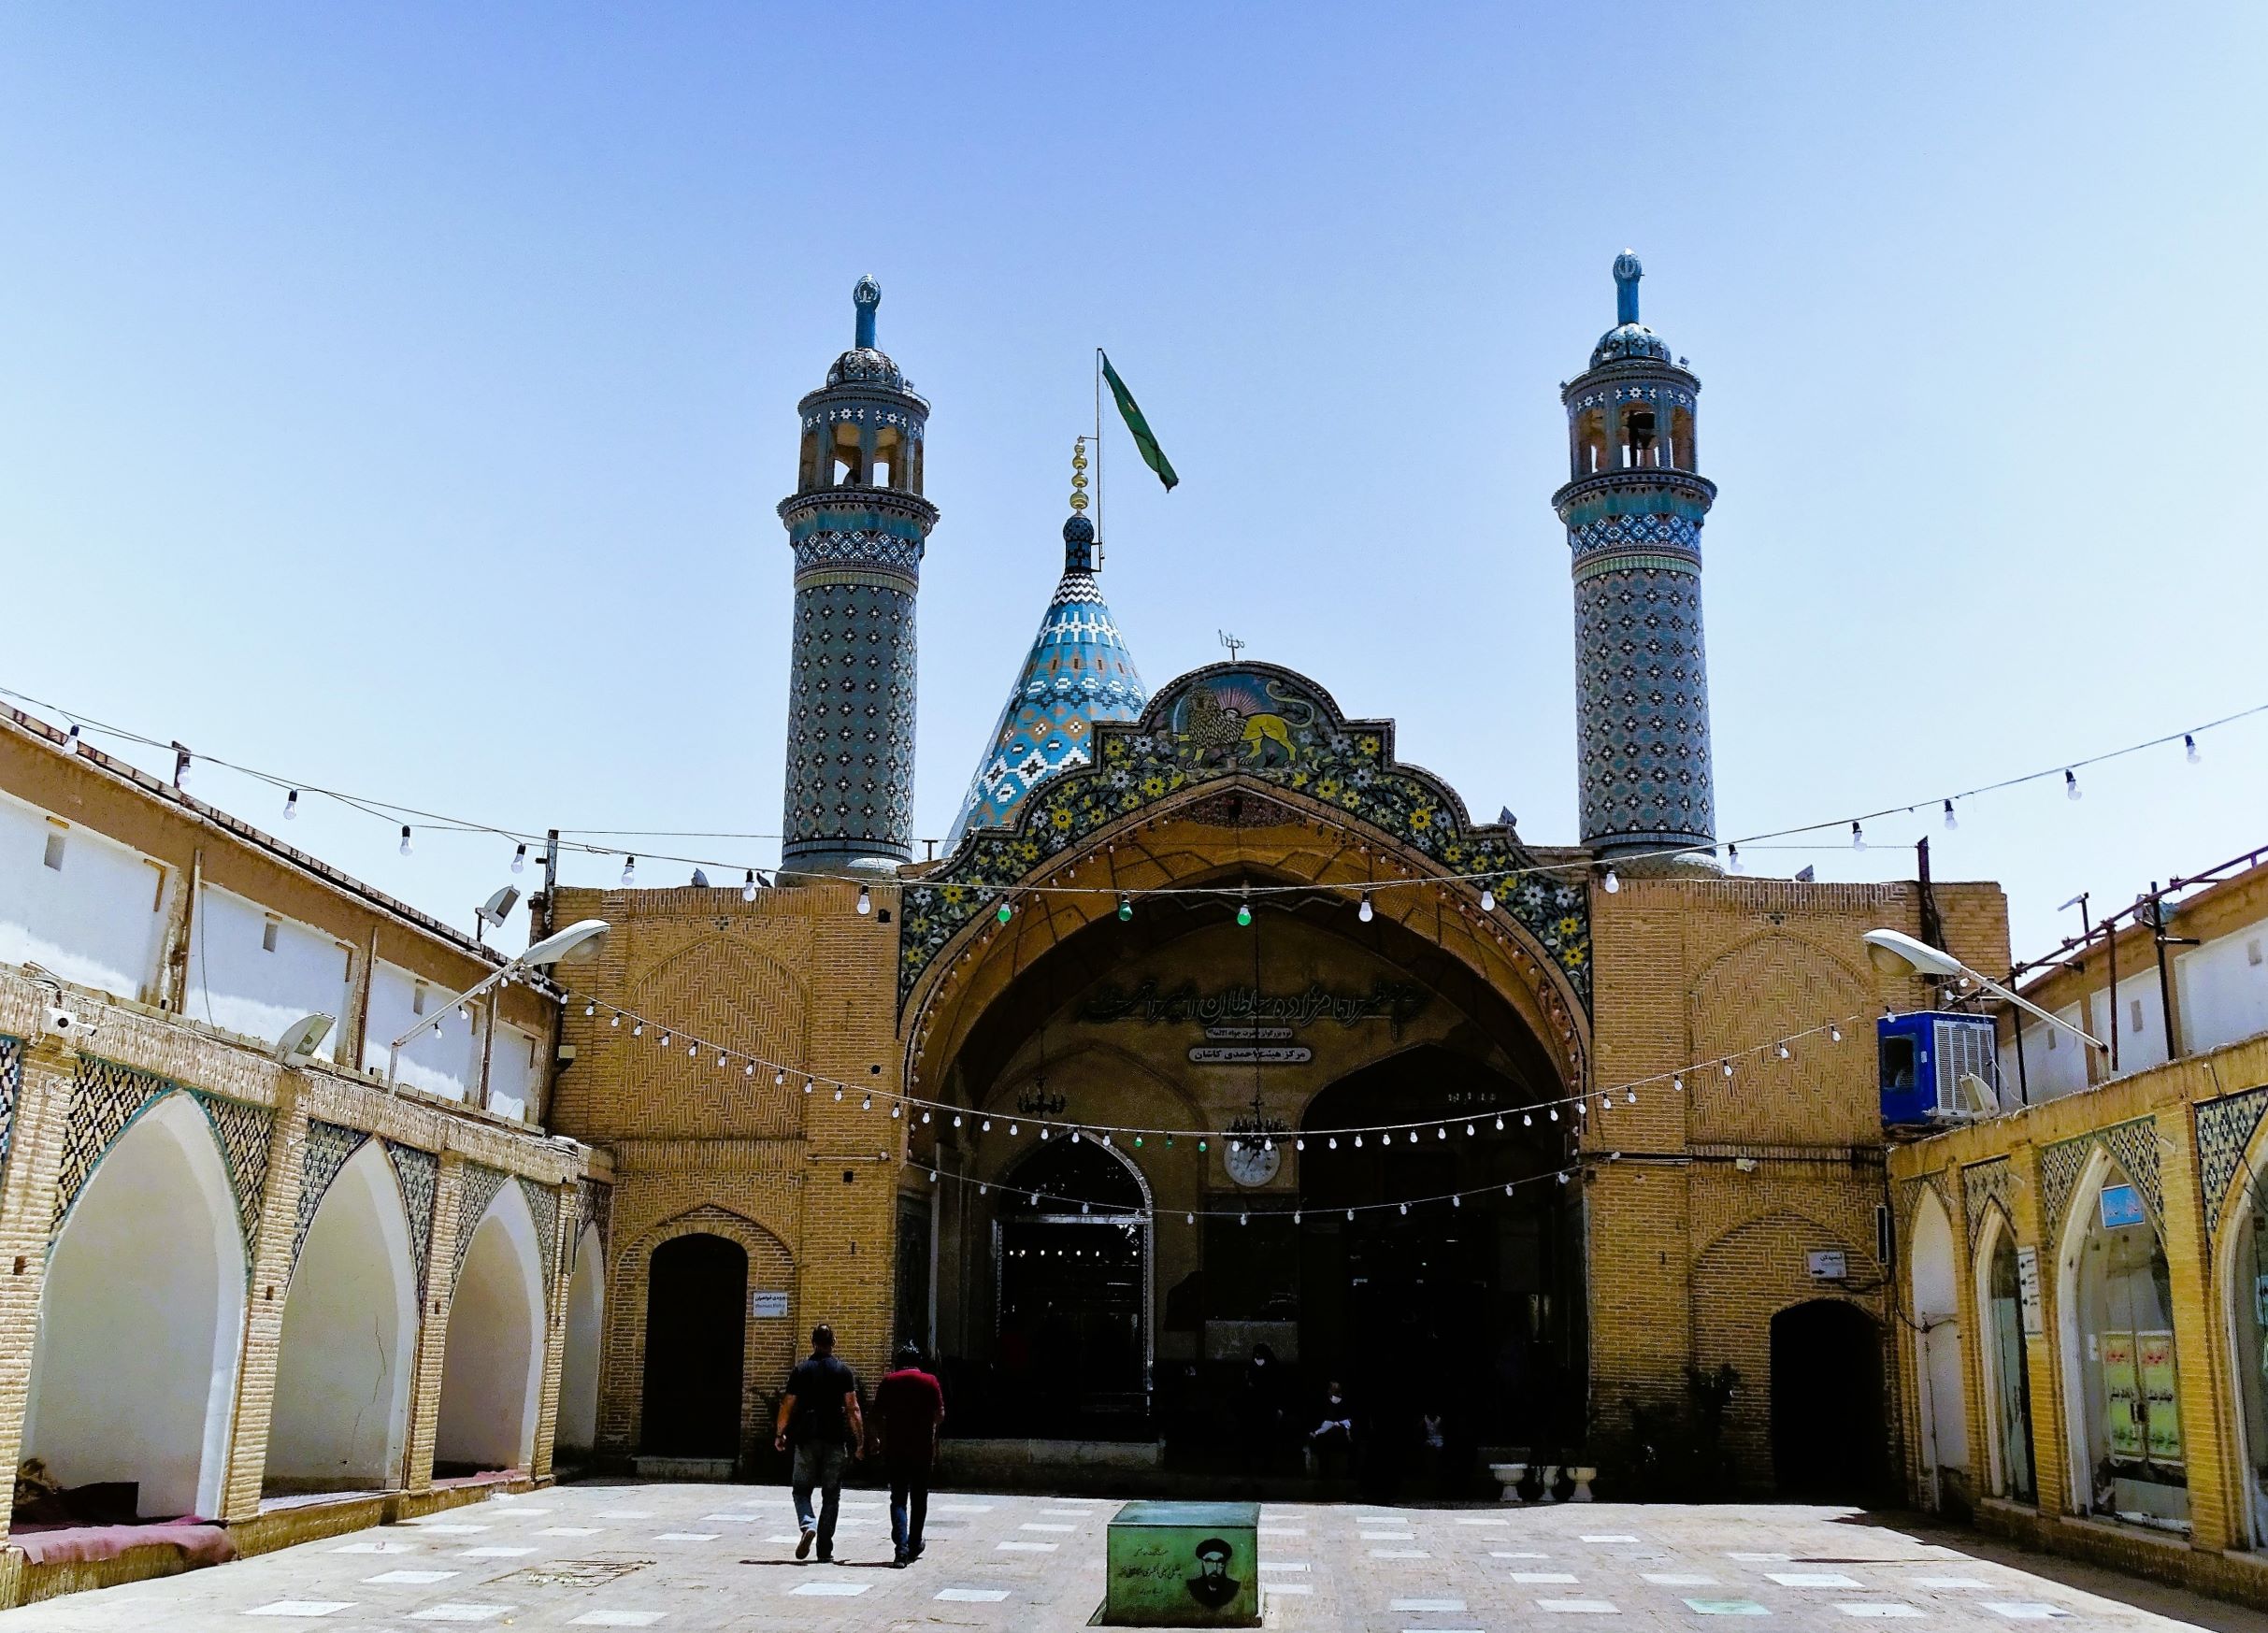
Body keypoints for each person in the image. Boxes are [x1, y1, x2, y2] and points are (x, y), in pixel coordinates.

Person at [774, 1324, 861, 1562]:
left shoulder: (801, 1370)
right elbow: (853, 1408)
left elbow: (788, 1404)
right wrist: (860, 1440)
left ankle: (807, 1523)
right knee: (831, 1495)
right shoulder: (843, 1371)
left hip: (806, 1438)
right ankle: (825, 1551)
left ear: (812, 1342)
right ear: (833, 1343)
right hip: (834, 1438)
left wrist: (780, 1433)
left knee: (801, 1490)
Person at [869, 1342, 946, 1567]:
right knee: (920, 1498)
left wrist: (875, 1438)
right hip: (922, 1450)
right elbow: (940, 1415)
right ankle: (914, 1544)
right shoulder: (930, 1381)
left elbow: (875, 1414)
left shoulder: (889, 1381)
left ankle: (900, 1550)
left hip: (896, 1449)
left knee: (899, 1499)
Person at [1308, 1379, 1353, 1479]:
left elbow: (1348, 1420)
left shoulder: (1344, 1404)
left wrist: (1341, 1426)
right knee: (1322, 1439)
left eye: (1336, 1391)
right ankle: (1324, 1472)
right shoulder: (1324, 1404)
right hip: (1327, 1433)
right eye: (1333, 1390)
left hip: (1340, 1431)